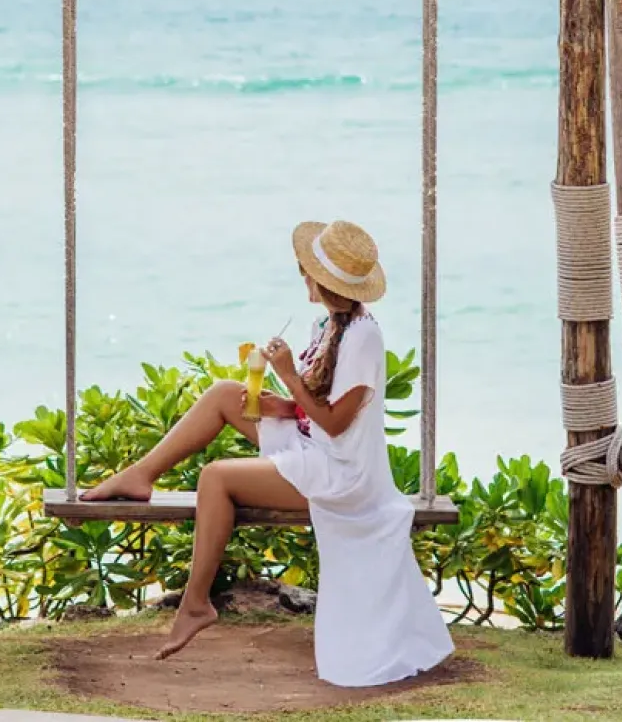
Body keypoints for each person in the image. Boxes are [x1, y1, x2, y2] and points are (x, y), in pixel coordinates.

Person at [81, 218, 454, 687]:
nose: (303, 278)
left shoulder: (362, 337)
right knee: (224, 393)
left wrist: (287, 374)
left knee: (216, 477)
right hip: (315, 445)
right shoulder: (329, 323)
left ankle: (196, 603)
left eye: (306, 271)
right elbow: (321, 403)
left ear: (319, 279)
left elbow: (338, 424)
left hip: (341, 474)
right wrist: (277, 403)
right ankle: (141, 473)